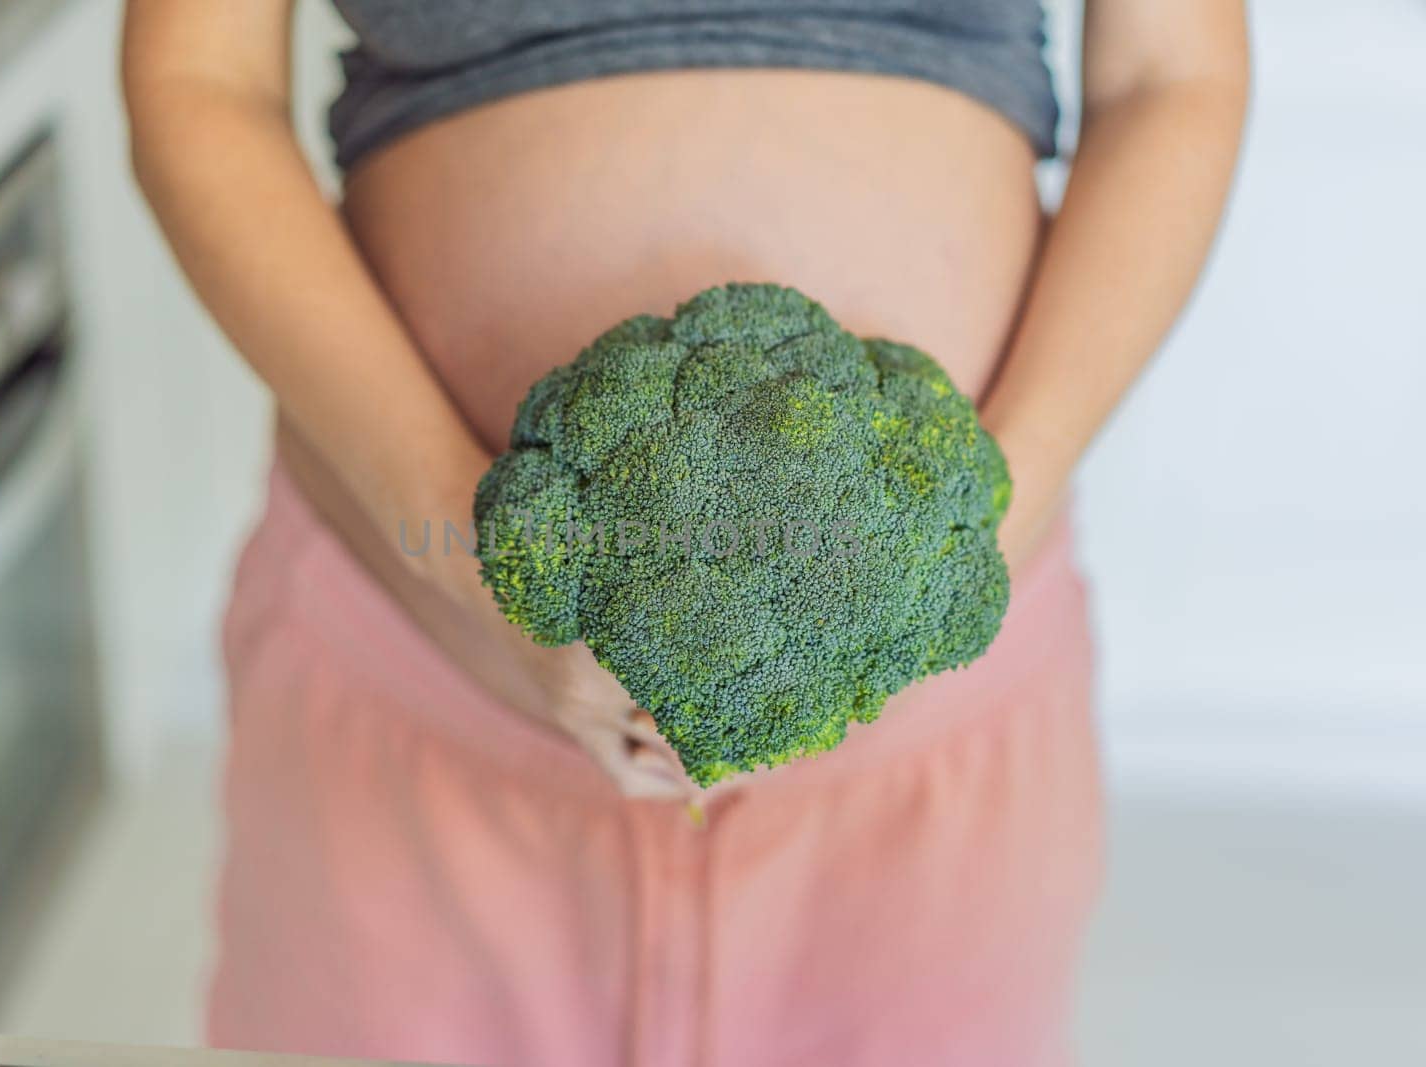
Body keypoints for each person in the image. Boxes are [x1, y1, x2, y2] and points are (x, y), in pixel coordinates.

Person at [121, 2, 1247, 1064]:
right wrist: (470, 561)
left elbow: (1171, 76)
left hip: (922, 760)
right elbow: (199, 80)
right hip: (418, 700)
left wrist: (969, 528)